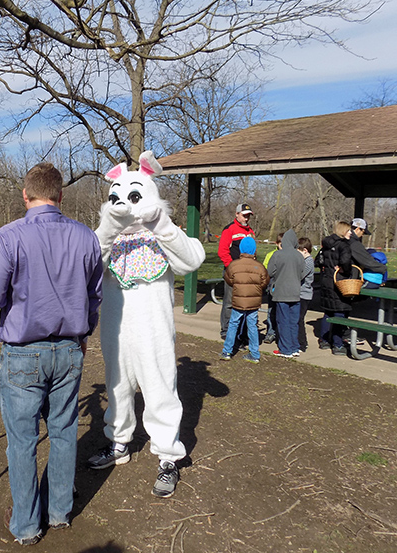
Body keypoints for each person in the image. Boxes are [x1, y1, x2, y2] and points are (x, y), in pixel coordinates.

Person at [0, 163, 103, 546]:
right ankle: (59, 511)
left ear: (25, 197)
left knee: (23, 439)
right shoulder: (86, 238)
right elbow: (94, 295)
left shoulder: (8, 237)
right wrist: (85, 331)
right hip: (69, 348)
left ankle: (27, 525)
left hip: (24, 353)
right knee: (62, 432)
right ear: (60, 196)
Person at [88, 151, 205, 499]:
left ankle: (168, 456)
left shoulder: (164, 235)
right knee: (117, 385)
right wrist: (109, 224)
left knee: (160, 388)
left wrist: (161, 224)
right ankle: (119, 442)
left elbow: (192, 260)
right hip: (116, 328)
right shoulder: (109, 238)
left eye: (135, 195)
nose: (125, 203)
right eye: (118, 197)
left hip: (153, 329)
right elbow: (87, 262)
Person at [221, 237, 269, 363]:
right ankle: (254, 353)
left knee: (233, 324)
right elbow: (265, 282)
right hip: (253, 302)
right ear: (254, 250)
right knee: (252, 326)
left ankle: (227, 351)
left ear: (241, 249)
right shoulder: (259, 266)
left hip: (238, 300)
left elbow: (228, 279)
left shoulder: (234, 265)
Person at [218, 204, 256, 341]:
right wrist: (232, 268)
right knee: (229, 302)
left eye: (248, 215)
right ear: (237, 214)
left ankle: (242, 330)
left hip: (247, 274)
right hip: (232, 272)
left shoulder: (250, 231)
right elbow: (222, 251)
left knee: (244, 302)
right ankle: (226, 330)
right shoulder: (229, 229)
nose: (246, 218)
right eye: (244, 215)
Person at [318, 221, 354, 355]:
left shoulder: (326, 244)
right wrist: (345, 270)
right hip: (339, 281)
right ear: (343, 231)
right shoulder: (344, 245)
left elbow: (319, 260)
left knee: (328, 311)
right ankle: (338, 344)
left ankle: (324, 340)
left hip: (326, 280)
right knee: (340, 311)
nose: (351, 233)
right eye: (349, 230)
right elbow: (345, 261)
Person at [267, 229, 305, 358]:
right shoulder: (299, 256)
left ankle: (285, 349)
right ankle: (295, 347)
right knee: (294, 322)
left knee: (283, 321)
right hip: (295, 293)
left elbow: (270, 272)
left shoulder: (278, 255)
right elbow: (302, 273)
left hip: (281, 293)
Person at [261, 232, 283, 345]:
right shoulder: (271, 254)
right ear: (277, 243)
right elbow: (265, 269)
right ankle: (270, 332)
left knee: (282, 312)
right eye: (280, 244)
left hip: (284, 288)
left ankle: (281, 334)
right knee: (271, 311)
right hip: (272, 287)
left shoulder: (290, 254)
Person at [297, 237, 315, 353]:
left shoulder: (308, 262)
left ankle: (302, 343)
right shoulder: (305, 261)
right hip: (301, 294)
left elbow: (300, 275)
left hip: (304, 295)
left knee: (299, 319)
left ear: (305, 250)